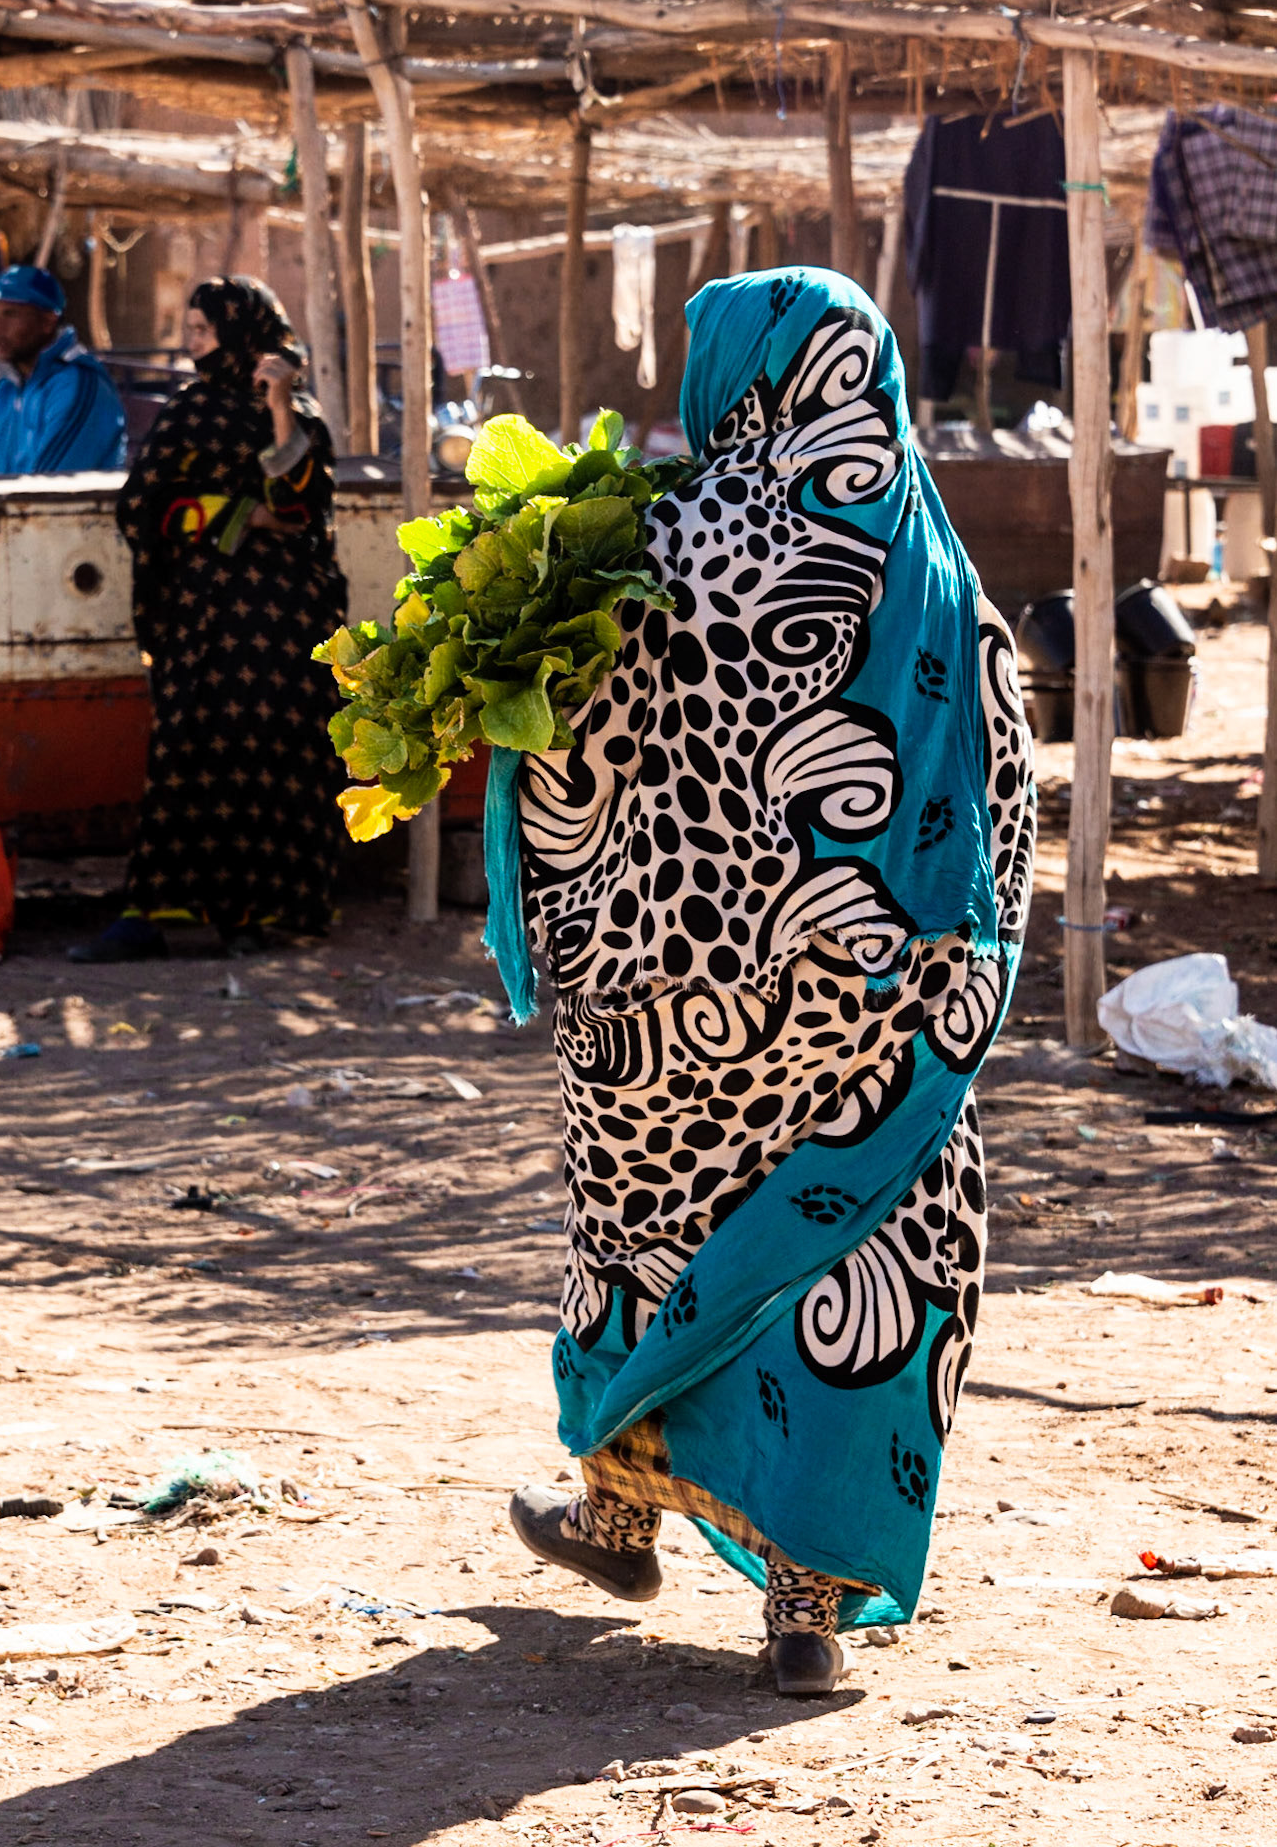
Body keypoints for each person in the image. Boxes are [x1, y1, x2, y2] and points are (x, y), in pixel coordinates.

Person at [505, 267, 1035, 1695]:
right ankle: (803, 1606)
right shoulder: (931, 564)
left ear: (730, 374)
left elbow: (567, 751)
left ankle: (619, 1515)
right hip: (877, 1006)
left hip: (673, 1007)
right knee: (858, 1268)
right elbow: (996, 781)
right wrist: (935, 968)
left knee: (649, 1238)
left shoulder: (656, 541)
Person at [69, 277, 347, 963]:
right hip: (203, 624)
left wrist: (279, 405)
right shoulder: (188, 412)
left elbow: (301, 507)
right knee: (187, 756)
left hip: (285, 630)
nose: (191, 343)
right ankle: (150, 914)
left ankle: (250, 913)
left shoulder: (300, 416)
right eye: (189, 330)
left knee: (269, 760)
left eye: (201, 330)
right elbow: (143, 508)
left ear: (242, 332)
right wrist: (234, 513)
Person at [0, 266, 126, 476]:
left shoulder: (76, 382)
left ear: (48, 321)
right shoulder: (7, 388)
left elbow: (48, 489)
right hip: (15, 507)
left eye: (10, 314)